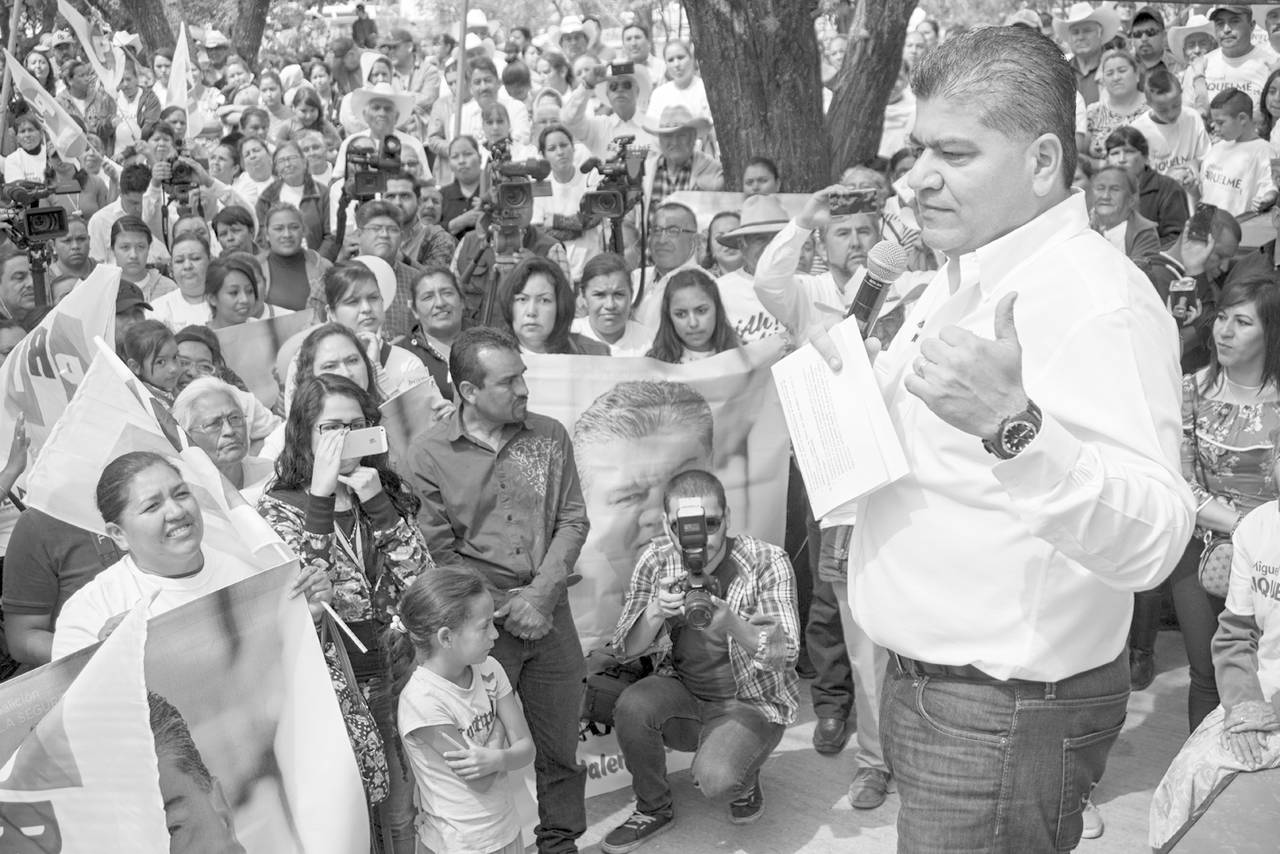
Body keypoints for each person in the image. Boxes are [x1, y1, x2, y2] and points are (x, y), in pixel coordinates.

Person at [812, 27, 1194, 851]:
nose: (918, 178)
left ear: (1043, 161)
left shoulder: (1096, 300)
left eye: (954, 153)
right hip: (930, 692)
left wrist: (1013, 428)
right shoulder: (959, 273)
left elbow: (1157, 539)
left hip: (1002, 714)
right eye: (919, 149)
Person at [408, 325, 590, 854]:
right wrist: (508, 607)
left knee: (560, 746)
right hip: (479, 631)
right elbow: (438, 552)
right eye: (508, 382)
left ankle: (560, 843)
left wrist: (540, 597)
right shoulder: (428, 455)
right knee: (482, 750)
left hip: (552, 615)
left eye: (522, 376)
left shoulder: (550, 435)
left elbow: (573, 520)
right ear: (467, 390)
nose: (523, 389)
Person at [259, 373, 433, 852]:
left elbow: (423, 582)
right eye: (331, 427)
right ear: (304, 433)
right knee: (354, 819)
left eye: (357, 426)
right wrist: (319, 498)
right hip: (338, 681)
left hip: (399, 666)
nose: (345, 438)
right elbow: (305, 594)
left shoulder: (380, 491)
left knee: (402, 812)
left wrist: (379, 505)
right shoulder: (277, 509)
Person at [600, 469, 800, 852]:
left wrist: (733, 624)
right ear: (667, 525)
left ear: (728, 518)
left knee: (718, 779)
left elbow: (786, 654)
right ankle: (653, 808)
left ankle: (744, 770)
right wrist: (656, 611)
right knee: (633, 705)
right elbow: (625, 648)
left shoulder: (766, 561)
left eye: (711, 523)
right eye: (685, 526)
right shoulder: (657, 560)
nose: (701, 537)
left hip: (751, 702)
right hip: (686, 692)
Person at [52, 451, 329, 658]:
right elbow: (75, 711)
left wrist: (311, 615)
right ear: (118, 534)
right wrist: (104, 664)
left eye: (181, 494)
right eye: (152, 507)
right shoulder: (90, 611)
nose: (176, 512)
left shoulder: (253, 567)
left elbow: (291, 665)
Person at [1149, 459, 1280, 848]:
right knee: (1190, 777)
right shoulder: (1259, 527)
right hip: (1261, 696)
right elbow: (1236, 634)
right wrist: (1244, 705)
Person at [1173, 276, 1280, 733]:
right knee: (1206, 674)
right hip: (1203, 548)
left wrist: (1259, 534)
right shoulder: (1189, 391)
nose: (1225, 331)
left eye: (1242, 322)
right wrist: (1241, 525)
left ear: (1271, 332)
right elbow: (1178, 479)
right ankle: (1206, 763)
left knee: (1266, 672)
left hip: (1271, 554)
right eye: (1221, 318)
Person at [384, 566, 535, 854]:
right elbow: (481, 780)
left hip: (507, 834)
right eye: (485, 626)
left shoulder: (490, 668)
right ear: (446, 638)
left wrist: (495, 757)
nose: (495, 634)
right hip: (458, 846)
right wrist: (498, 730)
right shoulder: (423, 700)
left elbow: (527, 750)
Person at [172, 377, 274, 502]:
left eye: (235, 418)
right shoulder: (185, 496)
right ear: (187, 435)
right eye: (214, 424)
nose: (229, 431)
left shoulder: (272, 476)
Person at [711, 196, 789, 344]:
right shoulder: (719, 292)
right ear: (742, 245)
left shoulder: (809, 286)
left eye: (778, 238)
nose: (771, 246)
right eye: (760, 239)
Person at [497, 256, 610, 355]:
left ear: (560, 307)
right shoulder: (491, 356)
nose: (531, 312)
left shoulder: (594, 353)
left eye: (544, 300)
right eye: (522, 299)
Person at [1104, 126, 1187, 249]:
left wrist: (1138, 251)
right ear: (1107, 159)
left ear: (1145, 156)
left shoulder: (1169, 189)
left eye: (1129, 152)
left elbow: (1176, 239)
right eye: (1114, 153)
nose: (1121, 159)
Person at [1199, 87, 1277, 216]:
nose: (1215, 128)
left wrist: (1267, 199)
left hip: (1238, 226)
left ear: (1242, 119)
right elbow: (1203, 190)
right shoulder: (1217, 148)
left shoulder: (1265, 151)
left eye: (1220, 123)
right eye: (1213, 122)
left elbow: (1271, 187)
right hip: (1205, 223)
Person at [255, 145, 336, 261]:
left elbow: (331, 235)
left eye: (291, 158)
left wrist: (317, 262)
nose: (287, 164)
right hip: (279, 264)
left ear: (304, 162)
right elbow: (262, 239)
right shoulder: (267, 197)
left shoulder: (322, 193)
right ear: (276, 168)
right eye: (281, 161)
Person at [560, 61, 654, 159]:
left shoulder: (655, 128)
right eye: (613, 86)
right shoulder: (597, 128)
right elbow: (569, 120)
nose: (620, 89)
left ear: (637, 91)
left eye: (627, 85)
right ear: (607, 94)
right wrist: (587, 85)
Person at [645, 269, 741, 364]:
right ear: (669, 316)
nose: (693, 323)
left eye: (701, 311)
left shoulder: (743, 356)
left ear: (717, 308)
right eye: (681, 314)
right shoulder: (654, 364)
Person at [1131, 68, 1211, 182]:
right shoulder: (1138, 131)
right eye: (1163, 110)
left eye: (1176, 105)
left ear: (1181, 94)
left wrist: (1195, 164)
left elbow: (1206, 156)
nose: (1171, 114)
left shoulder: (1193, 117)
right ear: (1149, 104)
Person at [632, 202, 703, 329]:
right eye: (656, 230)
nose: (662, 240)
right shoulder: (636, 278)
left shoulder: (706, 286)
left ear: (695, 240)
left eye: (673, 231)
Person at [257, 203, 332, 318]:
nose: (287, 234)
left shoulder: (324, 268)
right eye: (278, 229)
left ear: (303, 230)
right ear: (267, 234)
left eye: (294, 227)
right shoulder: (254, 269)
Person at [400, 264, 464, 399]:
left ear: (462, 300)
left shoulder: (487, 343)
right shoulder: (401, 355)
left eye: (447, 293)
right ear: (414, 310)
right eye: (428, 297)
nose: (440, 303)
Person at [642, 106, 724, 211]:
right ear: (660, 140)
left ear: (693, 137)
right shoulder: (645, 171)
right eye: (668, 136)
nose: (674, 142)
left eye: (681, 135)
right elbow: (632, 215)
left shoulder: (712, 169)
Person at [572, 253, 654, 356]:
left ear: (631, 295)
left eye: (618, 294)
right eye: (600, 295)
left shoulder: (651, 343)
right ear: (583, 297)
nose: (610, 305)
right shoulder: (567, 340)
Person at [1202, 6, 1277, 110]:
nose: (1226, 30)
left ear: (1252, 25)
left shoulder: (1272, 65)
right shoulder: (1201, 65)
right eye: (1220, 23)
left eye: (1234, 21)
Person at [1084, 49, 1149, 165]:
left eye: (1122, 71)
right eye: (1109, 73)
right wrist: (1101, 166)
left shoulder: (1154, 107)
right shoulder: (1093, 112)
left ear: (1137, 74)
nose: (1116, 78)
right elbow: (1079, 155)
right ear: (1103, 80)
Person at [1089, 165, 1161, 267]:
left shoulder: (1145, 233)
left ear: (1131, 200)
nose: (1105, 196)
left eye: (1115, 189)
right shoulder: (1083, 226)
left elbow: (1136, 274)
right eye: (1100, 188)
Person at [1055, 2, 1121, 105]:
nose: (1081, 37)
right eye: (1075, 32)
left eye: (1087, 31)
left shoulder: (1117, 66)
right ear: (1069, 39)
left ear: (1100, 34)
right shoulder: (1062, 71)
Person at [149, 233, 214, 331]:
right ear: (171, 267)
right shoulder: (157, 310)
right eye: (179, 261)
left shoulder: (228, 302)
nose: (187, 266)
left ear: (210, 261)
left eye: (195, 258)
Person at [648, 41, 713, 133]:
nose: (676, 64)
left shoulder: (707, 89)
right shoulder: (659, 94)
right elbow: (652, 128)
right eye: (670, 60)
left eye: (681, 57)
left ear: (691, 58)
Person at [440, 136, 485, 239]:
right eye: (455, 156)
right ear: (449, 164)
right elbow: (427, 232)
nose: (461, 161)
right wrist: (456, 224)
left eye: (467, 154)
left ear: (480, 158)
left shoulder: (493, 191)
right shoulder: (441, 196)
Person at [51, 216, 97, 283]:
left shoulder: (104, 272)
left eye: (81, 239)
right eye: (67, 241)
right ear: (53, 245)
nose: (75, 246)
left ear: (89, 240)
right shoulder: (43, 280)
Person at [703, 212, 744, 278]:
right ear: (710, 248)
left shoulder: (761, 276)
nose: (727, 241)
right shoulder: (701, 280)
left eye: (734, 233)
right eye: (720, 236)